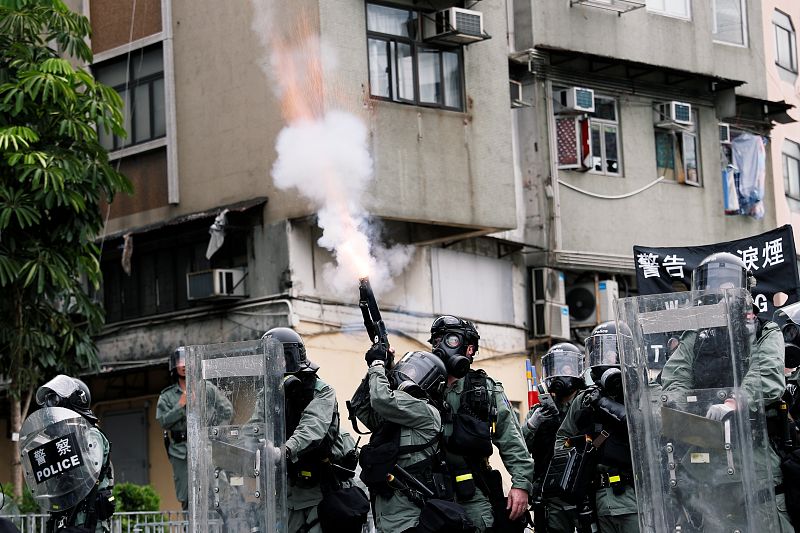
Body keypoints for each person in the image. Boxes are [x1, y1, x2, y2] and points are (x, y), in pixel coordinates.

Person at [661, 252, 794, 532]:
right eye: (712, 284)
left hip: (753, 452)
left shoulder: (762, 331)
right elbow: (674, 378)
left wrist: (735, 402)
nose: (721, 292)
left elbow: (767, 375)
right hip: (706, 453)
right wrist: (681, 406)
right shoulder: (695, 335)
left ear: (745, 288)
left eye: (729, 284)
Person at [428, 315, 533, 532]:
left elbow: (512, 440)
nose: (440, 346)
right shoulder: (416, 384)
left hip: (471, 490)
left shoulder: (485, 390)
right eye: (436, 341)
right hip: (424, 490)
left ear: (469, 350)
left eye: (449, 340)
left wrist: (521, 485)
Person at [260, 327, 361, 533]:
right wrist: (248, 446)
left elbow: (312, 427)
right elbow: (255, 426)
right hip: (289, 488)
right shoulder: (268, 393)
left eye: (280, 357)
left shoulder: (321, 390)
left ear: (292, 357)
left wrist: (283, 451)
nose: (275, 364)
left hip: (323, 486)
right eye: (269, 358)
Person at [356, 346, 462, 533]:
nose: (406, 376)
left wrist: (377, 364)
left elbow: (381, 399)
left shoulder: (427, 412)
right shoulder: (396, 414)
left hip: (410, 518)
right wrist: (383, 369)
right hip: (386, 515)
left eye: (415, 372)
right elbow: (362, 407)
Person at [554, 322, 639, 533]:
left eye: (611, 352)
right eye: (599, 352)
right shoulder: (585, 398)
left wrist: (605, 404)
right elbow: (562, 439)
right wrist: (574, 473)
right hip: (599, 500)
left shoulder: (643, 391)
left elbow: (651, 427)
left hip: (637, 498)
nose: (606, 359)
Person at [26, 375, 116, 533]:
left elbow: (85, 474)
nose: (49, 407)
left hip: (87, 518)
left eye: (54, 400)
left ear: (75, 400)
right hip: (61, 517)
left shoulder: (90, 434)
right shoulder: (54, 440)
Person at [156, 347, 233, 511]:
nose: (183, 365)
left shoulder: (207, 388)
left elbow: (227, 411)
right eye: (179, 362)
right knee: (187, 497)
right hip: (180, 451)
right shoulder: (167, 396)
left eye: (187, 361)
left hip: (206, 445)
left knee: (219, 490)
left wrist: (216, 431)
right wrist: (180, 405)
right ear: (174, 366)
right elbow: (163, 421)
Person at [524, 342, 585, 532]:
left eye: (566, 367)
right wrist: (531, 425)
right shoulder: (540, 411)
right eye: (555, 368)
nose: (560, 373)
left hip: (583, 489)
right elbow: (519, 448)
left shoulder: (588, 404)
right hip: (549, 494)